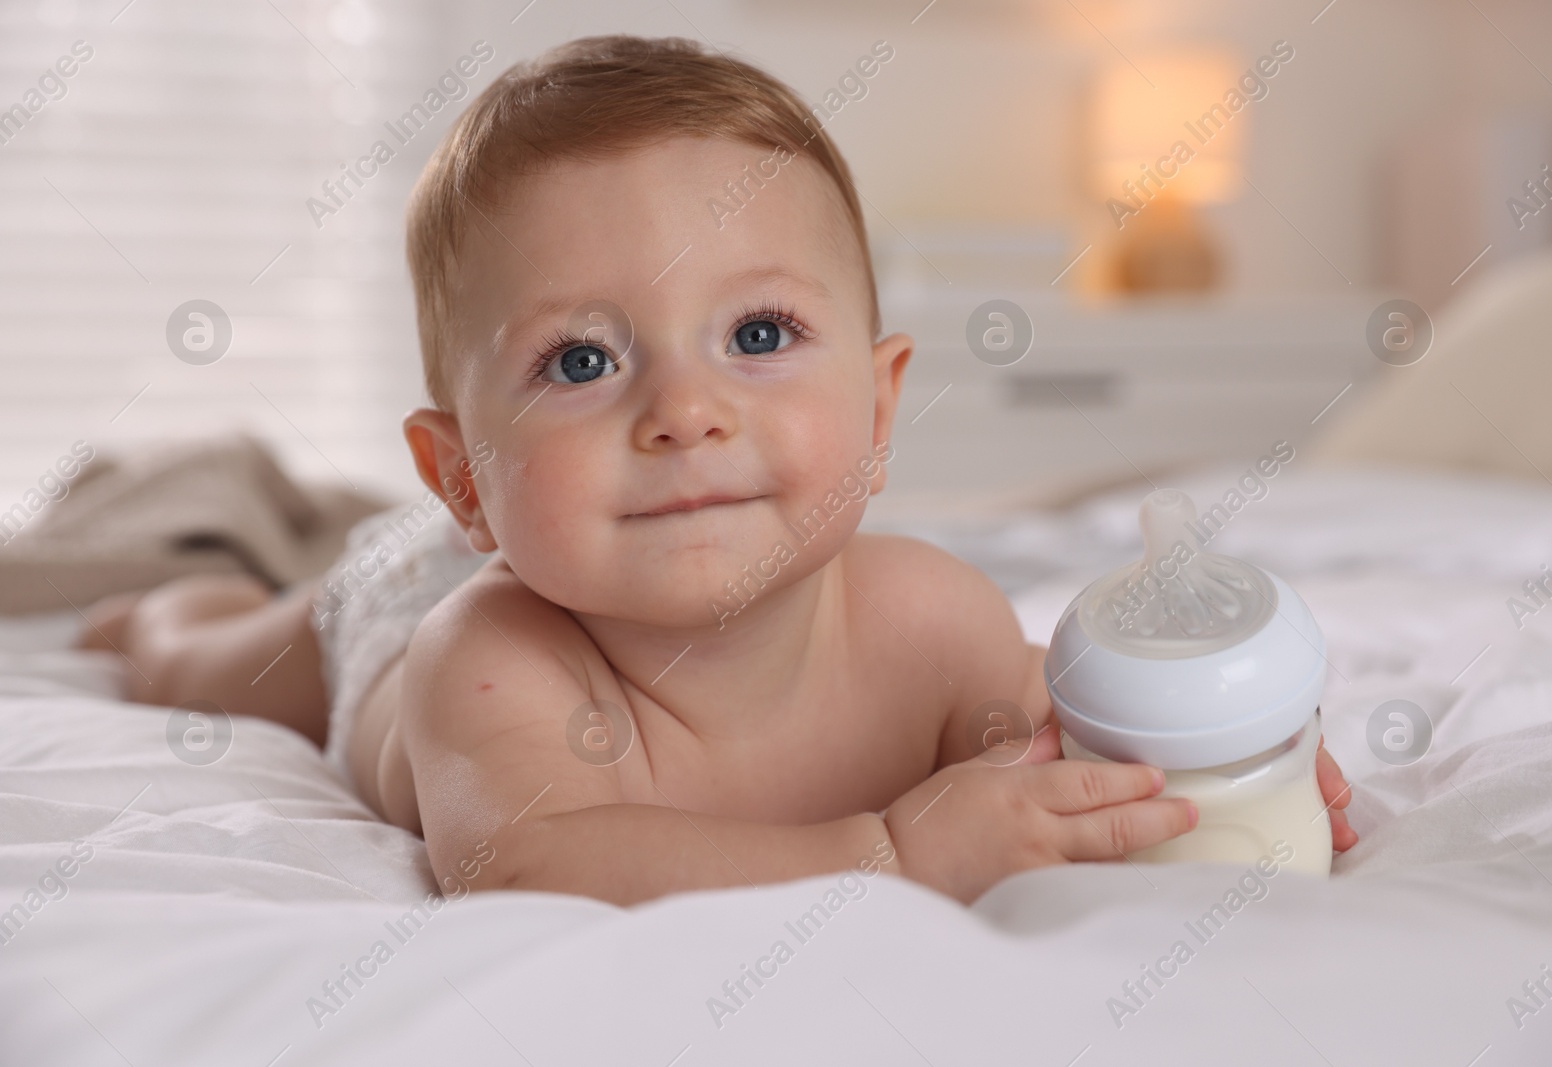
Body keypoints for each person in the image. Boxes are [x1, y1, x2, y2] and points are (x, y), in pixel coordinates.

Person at [83, 35, 1356, 907]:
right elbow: (529, 864)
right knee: (202, 663)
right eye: (579, 361)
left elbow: (1052, 756)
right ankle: (163, 599)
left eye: (757, 336)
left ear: (877, 399)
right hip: (384, 605)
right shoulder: (490, 659)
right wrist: (890, 854)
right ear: (462, 476)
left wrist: (1216, 765)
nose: (684, 412)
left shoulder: (931, 617)